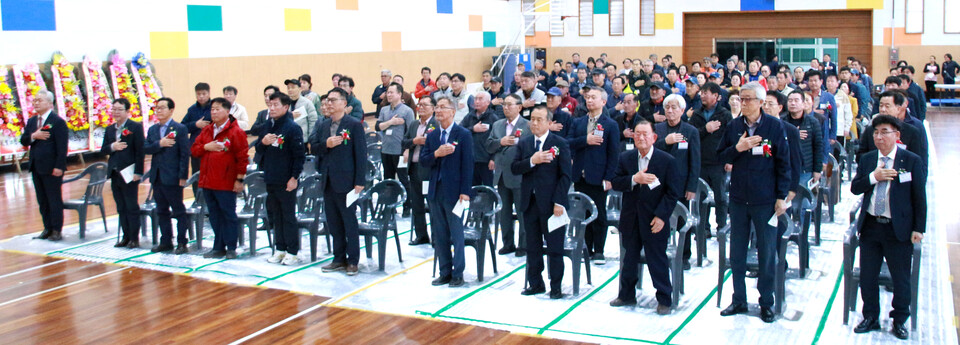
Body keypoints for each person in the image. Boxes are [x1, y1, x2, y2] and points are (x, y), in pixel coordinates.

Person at [717, 82, 791, 323]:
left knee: (766, 254)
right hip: (739, 199)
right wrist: (738, 148)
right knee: (737, 253)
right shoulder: (734, 126)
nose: (744, 103)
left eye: (749, 99)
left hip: (766, 200)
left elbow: (783, 163)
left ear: (761, 102)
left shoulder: (774, 126)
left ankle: (766, 303)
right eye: (742, 98)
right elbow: (721, 156)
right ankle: (738, 299)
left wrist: (781, 196)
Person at [850, 114, 926, 340]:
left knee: (900, 278)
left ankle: (900, 318)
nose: (879, 137)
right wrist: (874, 177)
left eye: (884, 132)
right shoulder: (868, 160)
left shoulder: (910, 161)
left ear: (897, 135)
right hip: (872, 225)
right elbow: (855, 188)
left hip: (898, 229)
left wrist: (918, 229)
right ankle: (870, 316)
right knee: (868, 276)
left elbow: (919, 198)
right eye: (876, 132)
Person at [609, 119, 682, 314]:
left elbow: (672, 193)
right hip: (631, 218)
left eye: (645, 134)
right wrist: (634, 179)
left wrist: (661, 217)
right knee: (629, 259)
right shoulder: (626, 158)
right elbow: (615, 182)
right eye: (637, 134)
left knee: (657, 260)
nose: (641, 138)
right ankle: (626, 295)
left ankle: (665, 299)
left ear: (654, 137)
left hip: (654, 220)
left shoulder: (667, 161)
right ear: (632, 136)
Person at [510, 105, 572, 299]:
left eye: (539, 120)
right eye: (532, 120)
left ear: (549, 122)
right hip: (530, 203)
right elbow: (515, 168)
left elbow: (565, 176)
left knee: (555, 247)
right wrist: (532, 161)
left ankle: (556, 287)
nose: (534, 123)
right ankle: (535, 283)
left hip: (553, 205)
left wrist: (559, 202)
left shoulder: (559, 143)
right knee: (533, 246)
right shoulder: (525, 143)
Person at [421, 96, 475, 287]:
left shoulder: (463, 134)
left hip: (455, 192)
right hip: (436, 190)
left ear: (453, 111)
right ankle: (444, 271)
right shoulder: (433, 135)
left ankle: (458, 273)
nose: (439, 111)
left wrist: (465, 191)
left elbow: (468, 165)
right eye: (437, 107)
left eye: (443, 107)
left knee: (456, 233)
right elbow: (423, 160)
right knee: (440, 233)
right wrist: (436, 154)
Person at [314, 88, 367, 276]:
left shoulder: (353, 125)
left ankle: (353, 260)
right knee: (333, 222)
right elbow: (315, 148)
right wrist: (325, 145)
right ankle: (338, 258)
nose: (329, 103)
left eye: (333, 100)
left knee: (349, 222)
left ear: (344, 104)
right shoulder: (323, 125)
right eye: (327, 100)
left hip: (348, 182)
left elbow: (361, 155)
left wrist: (360, 181)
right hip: (328, 180)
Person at [566, 86, 619, 265]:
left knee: (599, 214)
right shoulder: (578, 122)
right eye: (587, 97)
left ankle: (599, 250)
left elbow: (613, 154)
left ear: (603, 102)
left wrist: (609, 177)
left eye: (593, 97)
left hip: (599, 176)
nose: (589, 100)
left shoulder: (610, 125)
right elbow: (568, 143)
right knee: (583, 214)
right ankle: (585, 248)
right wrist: (585, 140)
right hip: (580, 176)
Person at [192, 97, 248, 259]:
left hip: (226, 182)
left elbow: (242, 158)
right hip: (208, 181)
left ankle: (231, 247)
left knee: (228, 214)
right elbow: (195, 150)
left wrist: (239, 180)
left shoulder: (235, 132)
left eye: (217, 109)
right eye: (212, 109)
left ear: (227, 111)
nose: (214, 112)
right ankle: (218, 246)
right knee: (214, 216)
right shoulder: (207, 130)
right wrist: (205, 147)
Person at [258, 92, 306, 266]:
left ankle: (292, 251)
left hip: (287, 180)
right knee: (275, 215)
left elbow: (299, 156)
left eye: (276, 105)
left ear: (286, 107)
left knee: (288, 216)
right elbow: (258, 150)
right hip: (271, 178)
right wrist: (262, 142)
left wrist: (294, 177)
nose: (271, 108)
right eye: (270, 105)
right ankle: (280, 248)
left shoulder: (292, 128)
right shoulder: (267, 126)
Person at [655, 94, 700, 269]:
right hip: (659, 183)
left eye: (674, 108)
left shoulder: (691, 131)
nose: (670, 111)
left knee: (682, 220)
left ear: (682, 111)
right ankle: (661, 252)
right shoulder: (658, 129)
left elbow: (695, 161)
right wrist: (664, 142)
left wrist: (692, 186)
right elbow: (649, 150)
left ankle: (684, 255)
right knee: (660, 218)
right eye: (667, 108)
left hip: (681, 184)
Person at [144, 97, 190, 254]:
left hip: (173, 176)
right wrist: (159, 144)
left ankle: (182, 242)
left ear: (171, 110)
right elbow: (146, 148)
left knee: (178, 210)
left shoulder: (180, 128)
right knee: (161, 210)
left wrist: (183, 176)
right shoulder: (152, 130)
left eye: (162, 108)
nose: (159, 111)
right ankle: (166, 241)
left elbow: (185, 154)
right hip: (157, 176)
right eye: (157, 108)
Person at [20, 90, 68, 241]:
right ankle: (47, 228)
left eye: (39, 100)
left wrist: (59, 166)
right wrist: (34, 136)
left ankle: (56, 229)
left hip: (52, 167)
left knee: (54, 199)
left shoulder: (58, 122)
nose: (35, 103)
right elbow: (24, 140)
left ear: (49, 103)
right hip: (36, 166)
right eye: (34, 100)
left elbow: (62, 147)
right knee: (42, 200)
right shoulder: (32, 121)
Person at [487, 94, 530, 256]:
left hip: (520, 175)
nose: (506, 107)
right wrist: (501, 142)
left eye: (510, 105)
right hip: (501, 175)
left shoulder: (527, 125)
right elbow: (489, 146)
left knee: (522, 212)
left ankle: (523, 245)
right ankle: (508, 243)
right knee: (503, 213)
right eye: (504, 104)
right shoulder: (497, 125)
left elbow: (530, 148)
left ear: (519, 107)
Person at [688, 83, 733, 232]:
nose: (703, 95)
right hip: (700, 162)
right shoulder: (696, 114)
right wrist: (705, 130)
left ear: (716, 96)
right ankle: (703, 228)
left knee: (720, 197)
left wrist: (729, 159)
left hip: (718, 162)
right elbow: (691, 135)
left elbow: (730, 138)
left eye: (706, 92)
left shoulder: (725, 114)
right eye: (702, 92)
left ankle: (721, 226)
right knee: (701, 198)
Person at [102, 98, 145, 248]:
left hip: (129, 172)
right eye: (114, 109)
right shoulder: (109, 129)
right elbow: (104, 149)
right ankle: (125, 236)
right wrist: (113, 146)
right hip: (115, 172)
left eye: (119, 109)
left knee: (131, 206)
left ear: (127, 111)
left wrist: (138, 172)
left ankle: (134, 238)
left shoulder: (135, 127)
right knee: (120, 207)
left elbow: (140, 152)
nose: (116, 112)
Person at [402, 97, 440, 246]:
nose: (421, 107)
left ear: (433, 108)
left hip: (429, 169)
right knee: (416, 204)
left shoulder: (436, 124)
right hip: (413, 168)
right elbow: (403, 142)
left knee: (432, 205)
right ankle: (421, 235)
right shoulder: (413, 125)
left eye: (425, 105)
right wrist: (414, 141)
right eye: (419, 104)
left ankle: (437, 237)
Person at [858, 90, 929, 167]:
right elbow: (860, 157)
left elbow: (921, 161)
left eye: (887, 106)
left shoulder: (912, 132)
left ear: (898, 109)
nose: (883, 110)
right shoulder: (870, 130)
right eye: (881, 105)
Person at [782, 90, 824, 185]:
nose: (793, 103)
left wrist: (817, 170)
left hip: (805, 168)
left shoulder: (813, 122)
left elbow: (818, 147)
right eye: (790, 100)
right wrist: (793, 136)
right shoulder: (781, 121)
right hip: (785, 167)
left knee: (802, 198)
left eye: (796, 100)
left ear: (803, 103)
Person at [376, 83, 415, 184]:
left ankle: (407, 200)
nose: (388, 95)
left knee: (403, 179)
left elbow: (411, 132)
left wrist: (407, 150)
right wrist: (391, 122)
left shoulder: (407, 111)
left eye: (391, 93)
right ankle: (389, 198)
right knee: (388, 179)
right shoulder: (384, 110)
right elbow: (378, 126)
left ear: (399, 94)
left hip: (400, 151)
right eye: (387, 92)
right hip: (385, 149)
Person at [461, 91, 497, 186]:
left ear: (488, 102)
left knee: (489, 189)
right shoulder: (469, 117)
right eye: (476, 99)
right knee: (472, 189)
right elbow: (459, 132)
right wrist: (473, 129)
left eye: (480, 99)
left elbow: (497, 140)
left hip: (486, 160)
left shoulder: (493, 118)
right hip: (470, 159)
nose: (476, 101)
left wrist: (493, 158)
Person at [182, 82, 212, 176]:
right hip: (196, 148)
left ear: (209, 93)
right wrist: (195, 124)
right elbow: (183, 127)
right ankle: (197, 191)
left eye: (204, 94)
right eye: (199, 94)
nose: (201, 97)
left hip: (212, 147)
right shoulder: (192, 110)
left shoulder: (215, 108)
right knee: (197, 176)